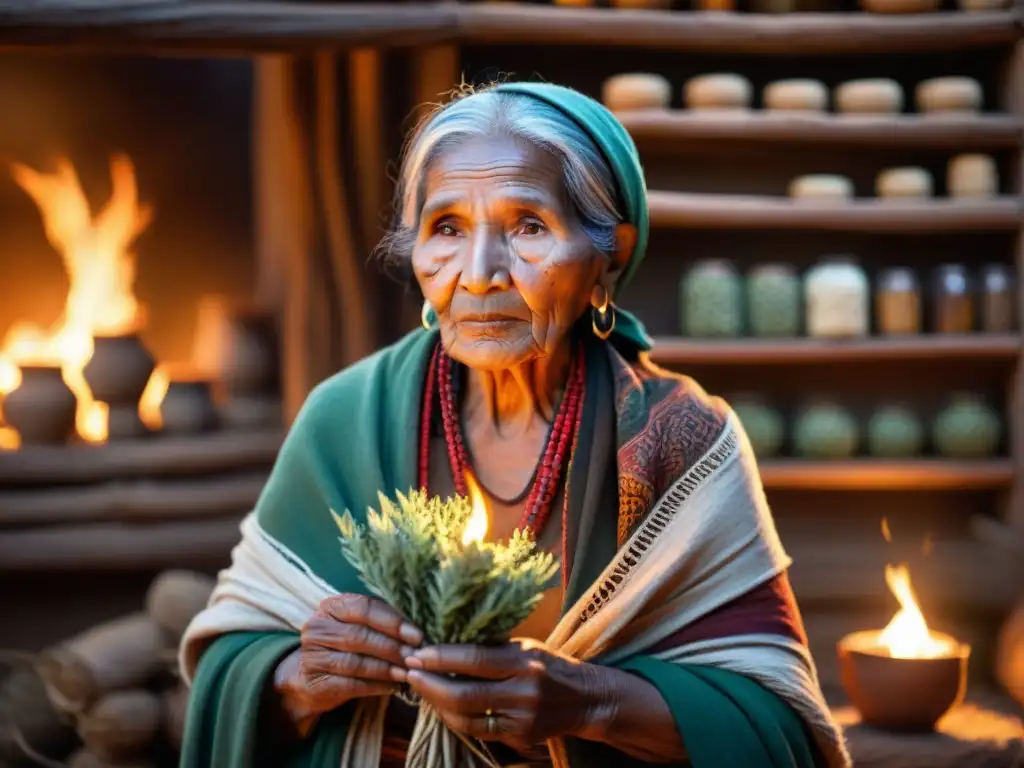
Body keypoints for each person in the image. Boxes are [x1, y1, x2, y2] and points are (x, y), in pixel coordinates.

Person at [179, 82, 849, 768]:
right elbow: (229, 673)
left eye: (528, 226)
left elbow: (778, 729)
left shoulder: (680, 438)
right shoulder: (344, 419)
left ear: (609, 256)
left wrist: (591, 702)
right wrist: (301, 679)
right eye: (447, 228)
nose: (478, 273)